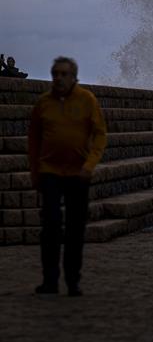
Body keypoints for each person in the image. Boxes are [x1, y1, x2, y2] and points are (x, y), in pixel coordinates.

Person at [28, 56, 107, 297]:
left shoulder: (87, 100)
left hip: (78, 174)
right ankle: (50, 280)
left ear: (74, 77)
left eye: (64, 74)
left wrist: (90, 165)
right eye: (55, 74)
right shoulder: (43, 103)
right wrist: (35, 174)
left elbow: (100, 135)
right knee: (50, 226)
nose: (59, 78)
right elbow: (34, 141)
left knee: (75, 229)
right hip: (50, 172)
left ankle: (73, 280)